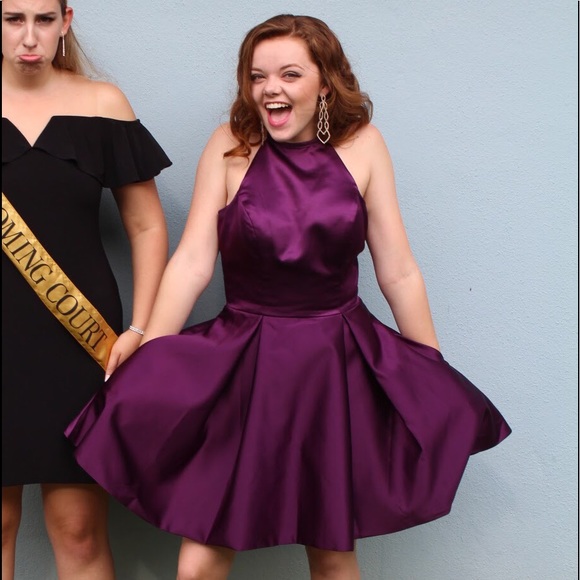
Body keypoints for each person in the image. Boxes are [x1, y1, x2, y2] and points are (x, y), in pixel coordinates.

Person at [65, 14, 511, 580]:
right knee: (200, 560)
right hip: (245, 361)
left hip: (335, 365)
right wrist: (149, 345)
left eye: (290, 75)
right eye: (258, 76)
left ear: (325, 83)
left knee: (331, 556)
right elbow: (194, 261)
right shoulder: (229, 145)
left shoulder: (365, 146)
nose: (270, 89)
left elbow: (397, 270)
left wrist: (429, 372)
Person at [1, 1, 171, 579]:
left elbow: (146, 227)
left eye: (43, 20)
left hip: (78, 339)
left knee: (77, 527)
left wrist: (142, 329)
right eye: (12, 18)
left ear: (65, 21)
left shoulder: (103, 105)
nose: (30, 36)